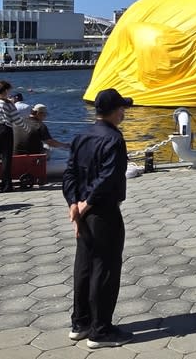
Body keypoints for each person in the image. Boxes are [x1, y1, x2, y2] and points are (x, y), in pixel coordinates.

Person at [62, 88, 134, 349]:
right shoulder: (114, 139)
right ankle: (100, 330)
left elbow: (69, 173)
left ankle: (80, 322)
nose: (124, 112)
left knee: (83, 266)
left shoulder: (82, 136)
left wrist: (73, 203)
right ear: (115, 111)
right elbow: (109, 177)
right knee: (105, 267)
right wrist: (86, 204)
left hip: (82, 209)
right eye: (122, 109)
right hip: (102, 210)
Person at [0, 80, 29, 193]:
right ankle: (6, 185)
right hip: (4, 130)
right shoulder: (8, 103)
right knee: (5, 159)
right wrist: (27, 129)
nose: (10, 93)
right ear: (5, 91)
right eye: (9, 91)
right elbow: (16, 119)